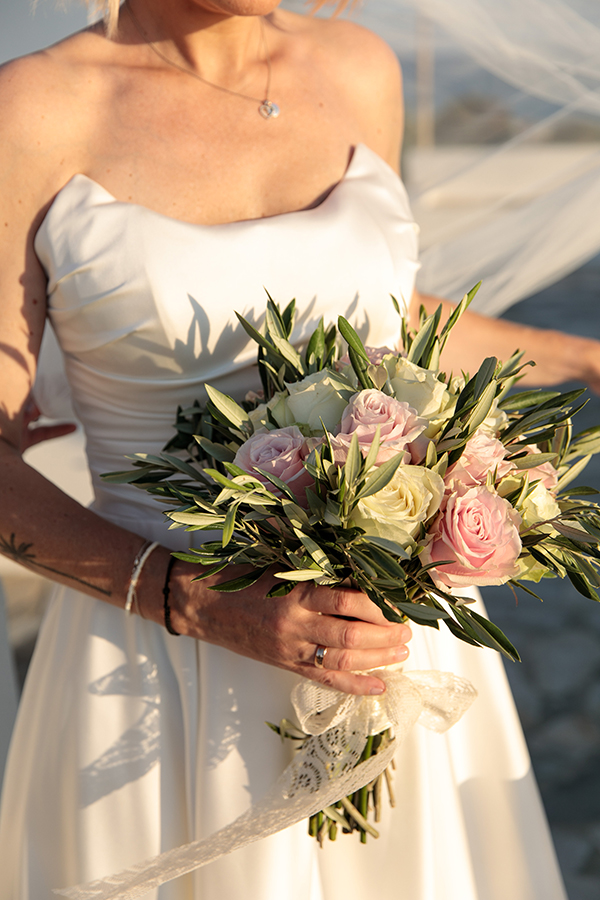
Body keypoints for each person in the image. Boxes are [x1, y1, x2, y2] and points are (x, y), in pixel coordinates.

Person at [0, 1, 597, 897]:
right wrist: (194, 604)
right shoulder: (37, 108)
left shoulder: (362, 66)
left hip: (387, 641)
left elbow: (374, 314)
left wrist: (584, 358)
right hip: (154, 661)